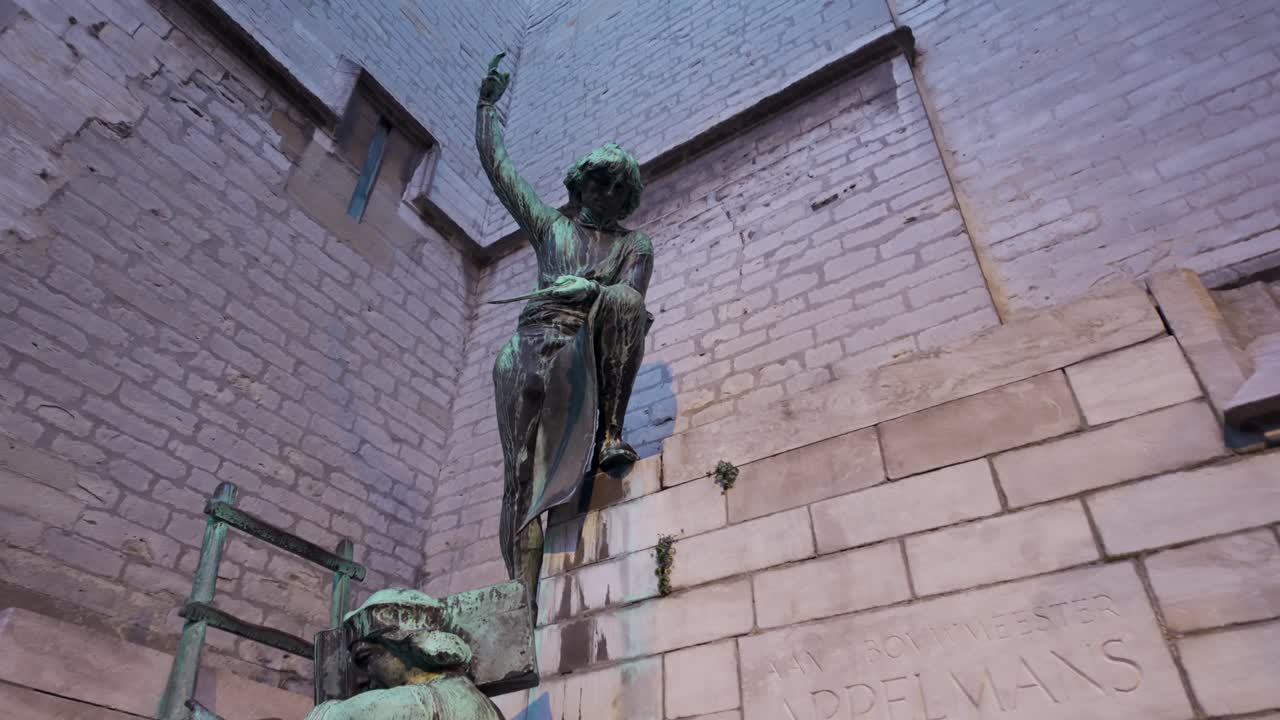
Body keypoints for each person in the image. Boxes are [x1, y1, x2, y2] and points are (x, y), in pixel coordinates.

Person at [476, 52, 654, 605]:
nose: (605, 196)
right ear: (581, 185)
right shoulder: (551, 226)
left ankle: (609, 434)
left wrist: (593, 292)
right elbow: (501, 173)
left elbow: (632, 302)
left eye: (617, 190)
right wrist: (487, 108)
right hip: (529, 349)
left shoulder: (633, 245)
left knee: (624, 301)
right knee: (520, 475)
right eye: (598, 183)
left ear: (626, 198)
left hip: (585, 343)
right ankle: (518, 598)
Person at [305, 589, 503, 720]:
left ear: (409, 646)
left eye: (366, 658)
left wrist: (323, 712)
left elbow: (344, 717)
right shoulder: (462, 693)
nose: (362, 678)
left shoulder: (431, 701)